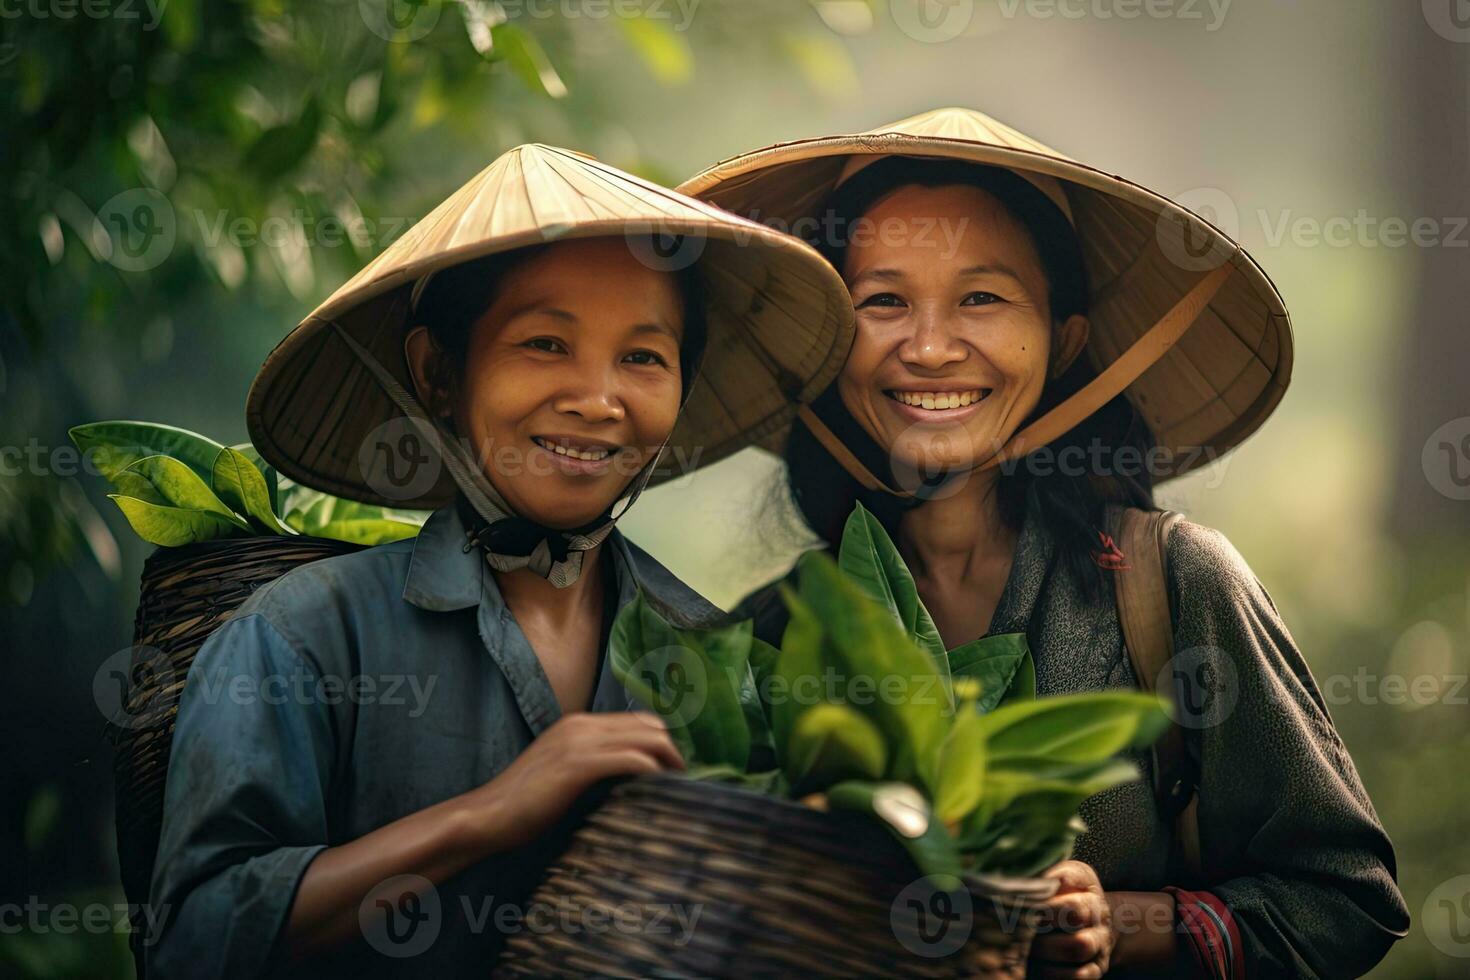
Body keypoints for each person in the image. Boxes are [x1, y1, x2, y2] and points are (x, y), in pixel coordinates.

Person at [684, 108, 1409, 979]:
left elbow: (1347, 899)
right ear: (833, 346)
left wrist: (1125, 921)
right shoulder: (777, 627)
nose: (929, 346)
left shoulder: (1168, 585)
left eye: (981, 298)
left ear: (1065, 344)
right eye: (882, 301)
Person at [145, 143, 852, 978]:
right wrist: (491, 814)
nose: (597, 400)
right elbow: (192, 938)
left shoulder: (718, 659)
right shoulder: (307, 634)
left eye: (643, 358)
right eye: (545, 344)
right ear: (437, 373)